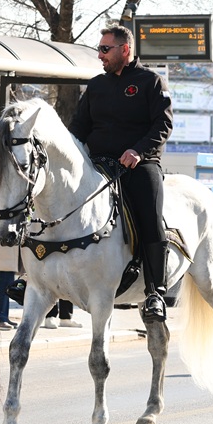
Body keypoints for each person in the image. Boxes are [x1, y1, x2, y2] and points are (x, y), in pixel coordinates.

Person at [68, 25, 174, 321]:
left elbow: (163, 125)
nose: (100, 55)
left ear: (124, 49)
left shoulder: (151, 82)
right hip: (98, 165)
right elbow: (79, 127)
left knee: (151, 220)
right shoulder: (96, 85)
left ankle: (154, 292)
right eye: (98, 49)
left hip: (139, 166)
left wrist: (138, 151)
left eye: (105, 49)